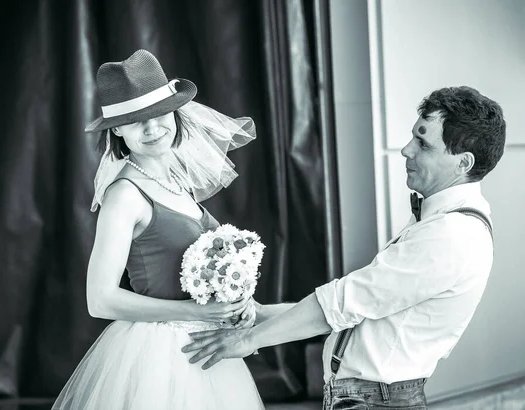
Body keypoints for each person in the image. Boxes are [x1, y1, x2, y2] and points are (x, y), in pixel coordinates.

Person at [183, 86, 506, 409]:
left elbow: (344, 302)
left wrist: (247, 340)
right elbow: (360, 312)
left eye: (423, 143)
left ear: (463, 163)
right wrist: (261, 315)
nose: (407, 150)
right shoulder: (443, 223)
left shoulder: (451, 235)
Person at [52, 49, 264, 410]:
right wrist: (197, 314)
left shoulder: (179, 180)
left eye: (159, 114)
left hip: (206, 349)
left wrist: (237, 302)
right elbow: (100, 300)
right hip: (159, 356)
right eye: (136, 121)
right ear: (116, 128)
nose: (152, 128)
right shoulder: (124, 195)